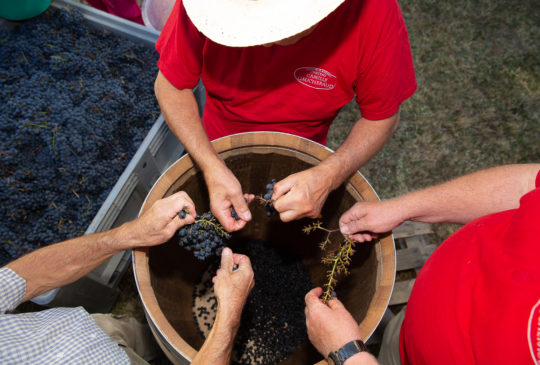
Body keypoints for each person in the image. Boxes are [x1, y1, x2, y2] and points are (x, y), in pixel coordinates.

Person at [153, 0, 417, 232]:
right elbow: (171, 86)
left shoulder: (373, 11)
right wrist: (210, 165)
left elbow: (381, 117)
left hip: (305, 156)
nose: (262, 37)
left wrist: (329, 175)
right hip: (216, 142)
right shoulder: (205, 6)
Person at [310, 163, 540, 365]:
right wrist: (403, 209)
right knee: (393, 339)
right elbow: (528, 185)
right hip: (412, 329)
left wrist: (348, 354)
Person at [0, 191, 252, 365]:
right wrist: (230, 312)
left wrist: (129, 234)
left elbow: (21, 279)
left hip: (85, 330)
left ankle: (152, 345)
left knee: (136, 335)